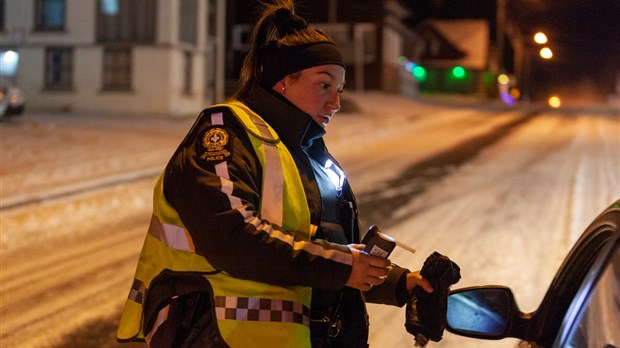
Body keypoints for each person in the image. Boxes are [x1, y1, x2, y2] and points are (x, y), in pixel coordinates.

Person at [117, 1, 434, 347]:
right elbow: (234, 237)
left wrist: (397, 282)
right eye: (324, 85)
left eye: (339, 90)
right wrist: (344, 265)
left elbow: (321, 252)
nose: (335, 103)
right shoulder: (223, 134)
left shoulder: (307, 154)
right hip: (216, 336)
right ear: (283, 82)